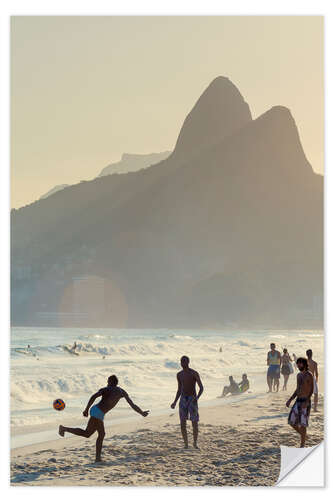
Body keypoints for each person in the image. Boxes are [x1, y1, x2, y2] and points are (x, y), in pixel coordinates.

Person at [59, 375, 149, 462]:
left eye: (107, 381)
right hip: (97, 412)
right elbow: (132, 405)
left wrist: (86, 409)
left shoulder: (106, 389)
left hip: (97, 411)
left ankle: (64, 429)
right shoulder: (122, 392)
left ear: (110, 382)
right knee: (100, 434)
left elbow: (93, 396)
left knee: (88, 433)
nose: (107, 383)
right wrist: (141, 413)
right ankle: (97, 458)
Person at [170, 355, 203, 449]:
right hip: (183, 399)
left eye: (184, 361)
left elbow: (201, 388)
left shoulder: (194, 373)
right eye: (181, 361)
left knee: (194, 422)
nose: (182, 363)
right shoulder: (179, 374)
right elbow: (179, 389)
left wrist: (197, 398)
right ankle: (186, 444)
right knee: (182, 422)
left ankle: (195, 443)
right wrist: (175, 402)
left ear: (188, 362)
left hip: (192, 398)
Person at [286, 357, 313, 447]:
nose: (298, 365)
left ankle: (302, 444)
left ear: (304, 364)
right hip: (298, 401)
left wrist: (307, 400)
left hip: (305, 401)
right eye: (297, 364)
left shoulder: (309, 375)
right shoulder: (298, 375)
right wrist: (290, 399)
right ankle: (304, 436)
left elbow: (311, 389)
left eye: (300, 363)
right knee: (291, 421)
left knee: (303, 424)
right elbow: (298, 389)